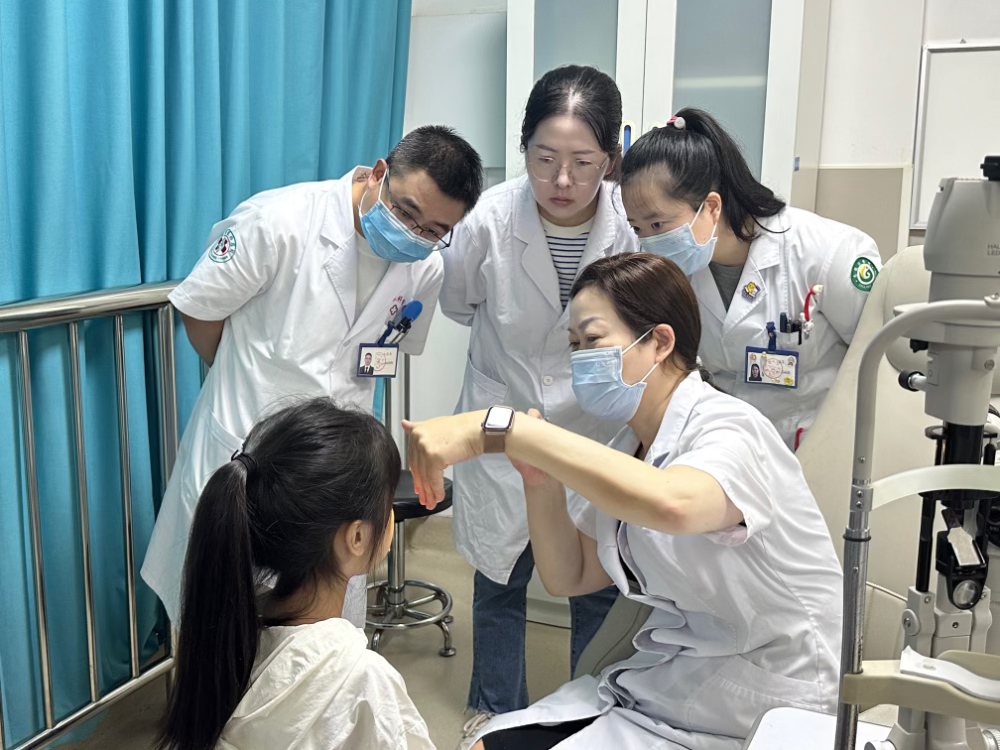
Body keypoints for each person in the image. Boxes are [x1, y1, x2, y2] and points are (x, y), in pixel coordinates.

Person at [405, 253, 843, 750]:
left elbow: (675, 504)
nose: (579, 358)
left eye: (592, 340)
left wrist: (510, 430)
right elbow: (570, 576)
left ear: (659, 342)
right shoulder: (630, 445)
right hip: (674, 684)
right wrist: (540, 482)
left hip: (771, 700)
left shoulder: (730, 428)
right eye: (573, 345)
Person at [142, 126, 484, 630]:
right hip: (247, 452)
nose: (414, 235)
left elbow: (388, 350)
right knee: (224, 631)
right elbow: (200, 313)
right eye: (406, 212)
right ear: (379, 173)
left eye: (434, 230)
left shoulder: (425, 268)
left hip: (336, 474)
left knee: (323, 637)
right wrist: (244, 379)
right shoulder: (277, 221)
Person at [438, 64, 639, 741]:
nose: (562, 180)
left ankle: (593, 712)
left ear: (611, 157)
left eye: (583, 162)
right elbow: (460, 302)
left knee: (598, 581)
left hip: (598, 427)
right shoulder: (489, 219)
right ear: (523, 146)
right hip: (505, 419)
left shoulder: (631, 225)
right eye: (544, 158)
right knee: (500, 579)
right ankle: (495, 706)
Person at [156, 398, 434, 750]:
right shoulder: (363, 681)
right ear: (357, 538)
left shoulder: (230, 635)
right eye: (387, 502)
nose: (391, 514)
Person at [620, 108, 882, 450]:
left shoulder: (829, 252)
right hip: (727, 447)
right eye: (637, 228)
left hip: (815, 447)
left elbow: (879, 363)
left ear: (711, 206)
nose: (650, 242)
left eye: (658, 224)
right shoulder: (682, 267)